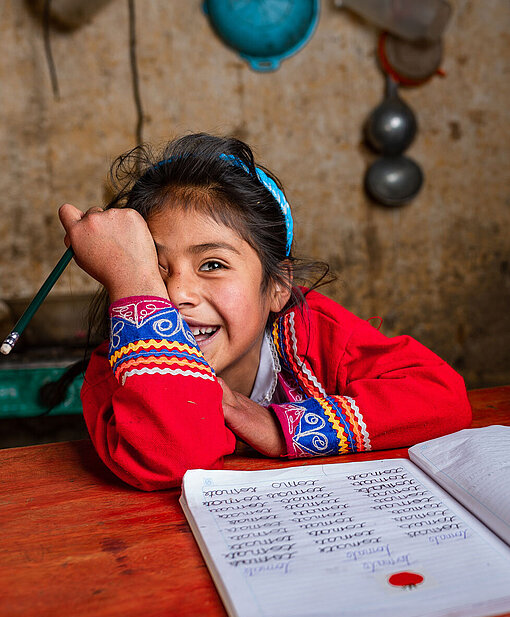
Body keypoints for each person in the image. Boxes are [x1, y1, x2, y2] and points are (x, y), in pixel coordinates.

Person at [59, 133, 471, 491]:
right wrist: (132, 283)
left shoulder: (312, 330)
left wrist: (278, 426)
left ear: (277, 287)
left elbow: (443, 397)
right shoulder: (116, 373)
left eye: (213, 264)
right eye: (153, 270)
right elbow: (175, 457)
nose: (177, 294)